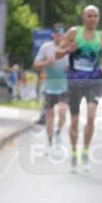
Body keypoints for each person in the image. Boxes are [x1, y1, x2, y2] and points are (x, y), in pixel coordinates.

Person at [56, 5, 102, 173]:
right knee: (74, 120)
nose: (92, 19)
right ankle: (74, 153)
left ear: (98, 18)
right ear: (83, 17)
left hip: (94, 81)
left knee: (92, 116)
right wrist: (67, 50)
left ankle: (85, 152)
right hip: (75, 81)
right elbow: (57, 54)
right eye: (89, 16)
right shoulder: (74, 33)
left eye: (95, 16)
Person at [33, 23, 69, 154]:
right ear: (53, 34)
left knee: (63, 112)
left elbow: (74, 68)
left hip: (64, 86)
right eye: (57, 33)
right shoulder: (46, 47)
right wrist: (45, 63)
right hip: (49, 87)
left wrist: (69, 70)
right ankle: (49, 143)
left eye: (61, 33)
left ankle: (58, 132)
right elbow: (36, 63)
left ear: (64, 35)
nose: (59, 35)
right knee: (50, 116)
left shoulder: (68, 50)